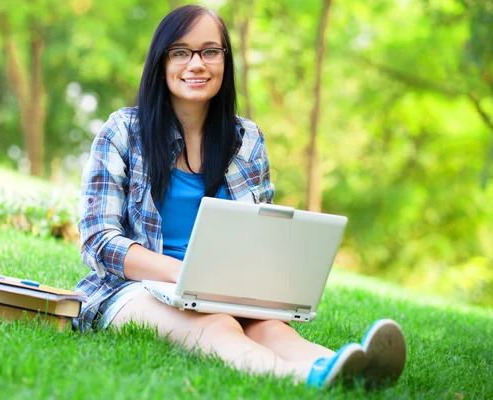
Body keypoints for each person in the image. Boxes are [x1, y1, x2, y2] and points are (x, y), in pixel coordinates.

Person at [74, 4, 406, 390]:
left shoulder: (246, 140)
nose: (196, 64)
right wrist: (180, 274)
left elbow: (260, 237)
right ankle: (309, 379)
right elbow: (98, 240)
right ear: (161, 63)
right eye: (181, 52)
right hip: (130, 289)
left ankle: (348, 367)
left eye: (210, 51)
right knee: (219, 326)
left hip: (222, 290)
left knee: (275, 331)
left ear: (225, 62)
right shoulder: (123, 132)